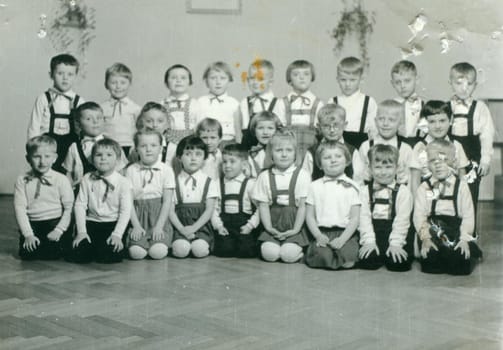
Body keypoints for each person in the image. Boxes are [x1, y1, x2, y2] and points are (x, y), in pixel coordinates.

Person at [414, 139, 482, 275]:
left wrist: (464, 239)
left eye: (444, 160)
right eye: (433, 161)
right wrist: (425, 239)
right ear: (427, 164)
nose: (438, 165)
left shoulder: (461, 187)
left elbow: (468, 216)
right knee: (430, 264)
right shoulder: (425, 187)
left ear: (454, 163)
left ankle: (462, 251)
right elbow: (420, 216)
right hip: (433, 229)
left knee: (461, 264)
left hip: (456, 230)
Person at [252, 130, 311, 263]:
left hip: (295, 225)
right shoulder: (264, 176)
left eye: (289, 150)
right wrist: (269, 228)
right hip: (273, 224)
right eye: (279, 150)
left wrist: (295, 230)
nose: (284, 154)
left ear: (295, 153)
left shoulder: (302, 175)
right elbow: (263, 206)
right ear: (271, 154)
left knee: (288, 255)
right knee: (270, 254)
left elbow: (303, 206)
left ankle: (299, 250)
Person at [71, 138, 132, 263]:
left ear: (118, 160)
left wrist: (117, 234)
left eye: (109, 155)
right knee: (80, 253)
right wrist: (81, 231)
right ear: (92, 159)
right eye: (99, 155)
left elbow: (125, 211)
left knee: (110, 255)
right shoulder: (87, 179)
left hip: (112, 223)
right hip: (92, 222)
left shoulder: (123, 182)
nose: (103, 158)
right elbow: (80, 205)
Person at [14, 135, 74, 260]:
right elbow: (20, 208)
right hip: (33, 224)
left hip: (55, 222)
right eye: (37, 156)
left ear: (54, 158)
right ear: (28, 158)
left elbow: (69, 208)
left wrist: (59, 230)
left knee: (52, 255)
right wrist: (28, 234)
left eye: (47, 156)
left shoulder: (61, 179)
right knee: (27, 255)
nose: (42, 162)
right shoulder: (22, 180)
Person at [305, 142, 360, 270]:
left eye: (338, 156)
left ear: (347, 161)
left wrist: (342, 239)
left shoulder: (353, 187)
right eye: (327, 157)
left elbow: (355, 218)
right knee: (322, 256)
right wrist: (318, 235)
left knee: (348, 257)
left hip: (346, 233)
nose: (333, 160)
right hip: (322, 232)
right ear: (319, 164)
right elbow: (310, 216)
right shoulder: (314, 186)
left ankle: (342, 255)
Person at [358, 144, 413, 271]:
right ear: (370, 169)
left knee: (398, 264)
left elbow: (402, 220)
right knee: (368, 261)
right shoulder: (364, 191)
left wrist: (396, 244)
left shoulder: (403, 192)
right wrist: (369, 241)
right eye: (378, 167)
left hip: (397, 235)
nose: (383, 172)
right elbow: (363, 218)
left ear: (397, 168)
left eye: (388, 167)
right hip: (373, 234)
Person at [448, 62, 495, 211]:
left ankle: (469, 232)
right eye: (459, 83)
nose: (464, 88)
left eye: (469, 84)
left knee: (470, 195)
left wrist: (485, 160)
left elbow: (487, 135)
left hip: (472, 155)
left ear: (475, 85)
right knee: (450, 196)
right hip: (451, 157)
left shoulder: (480, 108)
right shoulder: (446, 106)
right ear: (451, 83)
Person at [27, 53, 85, 171]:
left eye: (70, 74)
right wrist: (32, 148)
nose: (65, 78)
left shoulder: (79, 101)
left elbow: (84, 127)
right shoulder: (43, 98)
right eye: (60, 73)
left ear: (75, 76)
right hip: (47, 145)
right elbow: (35, 124)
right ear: (51, 75)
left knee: (69, 173)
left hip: (70, 145)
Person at [125, 130, 175, 260]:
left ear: (161, 149)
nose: (148, 150)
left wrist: (159, 227)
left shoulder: (167, 170)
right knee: (136, 253)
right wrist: (136, 226)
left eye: (153, 145)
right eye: (143, 146)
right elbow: (128, 201)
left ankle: (158, 242)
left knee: (157, 252)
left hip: (159, 217)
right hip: (138, 216)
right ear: (136, 149)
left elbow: (167, 202)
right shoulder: (131, 170)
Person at [169, 136, 219, 258]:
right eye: (188, 154)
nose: (193, 158)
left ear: (204, 158)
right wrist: (182, 230)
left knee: (199, 250)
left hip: (201, 227)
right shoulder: (173, 182)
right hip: (180, 226)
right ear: (179, 158)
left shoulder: (209, 182)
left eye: (198, 154)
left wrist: (193, 228)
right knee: (181, 250)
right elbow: (170, 211)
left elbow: (209, 211)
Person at [410, 100, 469, 195]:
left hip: (451, 196)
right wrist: (417, 205)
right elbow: (415, 180)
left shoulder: (456, 145)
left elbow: (462, 176)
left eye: (442, 120)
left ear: (450, 120)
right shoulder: (420, 147)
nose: (437, 126)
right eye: (432, 121)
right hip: (427, 196)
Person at [63, 102, 127, 189]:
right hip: (83, 193)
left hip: (110, 192)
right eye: (88, 119)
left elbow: (122, 171)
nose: (95, 122)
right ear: (78, 124)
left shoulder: (114, 145)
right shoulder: (74, 148)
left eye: (99, 118)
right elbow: (69, 175)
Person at [212, 144, 260, 258]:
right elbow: (213, 209)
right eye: (224, 162)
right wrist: (219, 227)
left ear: (243, 164)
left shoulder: (250, 184)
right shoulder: (218, 184)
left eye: (232, 161)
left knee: (246, 251)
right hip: (225, 226)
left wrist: (250, 226)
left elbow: (260, 208)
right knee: (224, 251)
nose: (227, 166)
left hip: (244, 225)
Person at [355, 100, 416, 186]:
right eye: (381, 119)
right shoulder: (365, 146)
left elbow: (411, 181)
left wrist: (403, 177)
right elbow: (357, 178)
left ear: (400, 123)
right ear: (375, 121)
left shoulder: (406, 149)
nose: (385, 124)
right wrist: (365, 176)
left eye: (391, 120)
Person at [329, 56, 377, 149]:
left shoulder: (369, 101)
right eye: (343, 80)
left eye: (352, 80)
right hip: (338, 145)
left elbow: (374, 130)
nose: (347, 84)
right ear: (337, 79)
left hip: (362, 146)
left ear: (361, 79)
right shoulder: (333, 101)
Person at [277, 60, 323, 154]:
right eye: (296, 74)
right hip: (288, 148)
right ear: (289, 80)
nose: (302, 78)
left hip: (312, 149)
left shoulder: (318, 103)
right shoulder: (282, 102)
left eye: (306, 74)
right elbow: (278, 127)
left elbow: (321, 130)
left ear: (312, 77)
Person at [307, 104, 360, 180]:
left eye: (336, 125)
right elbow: (306, 181)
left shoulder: (353, 152)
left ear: (345, 125)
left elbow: (359, 182)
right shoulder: (311, 153)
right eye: (326, 126)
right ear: (319, 127)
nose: (332, 130)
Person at [238, 59, 281, 149]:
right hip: (248, 149)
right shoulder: (244, 103)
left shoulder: (278, 103)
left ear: (270, 82)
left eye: (260, 79)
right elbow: (243, 130)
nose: (255, 82)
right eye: (252, 78)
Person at [101, 62, 141, 157]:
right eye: (113, 83)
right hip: (108, 148)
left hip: (130, 147)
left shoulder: (135, 108)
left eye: (123, 83)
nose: (118, 86)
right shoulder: (102, 108)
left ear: (129, 84)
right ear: (106, 85)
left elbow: (140, 130)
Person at [197, 61, 240, 146]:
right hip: (205, 143)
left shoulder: (234, 103)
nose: (218, 82)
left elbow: (238, 130)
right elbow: (196, 128)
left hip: (228, 143)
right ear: (206, 81)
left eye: (223, 78)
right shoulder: (200, 102)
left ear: (229, 81)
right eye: (213, 78)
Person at [130, 102, 178, 169]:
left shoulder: (172, 148)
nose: (155, 125)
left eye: (160, 121)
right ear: (141, 122)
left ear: (167, 124)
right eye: (149, 121)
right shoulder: (135, 149)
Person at [390, 60, 426, 146]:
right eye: (398, 82)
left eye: (407, 81)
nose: (402, 86)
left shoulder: (424, 105)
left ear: (416, 80)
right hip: (396, 145)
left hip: (418, 145)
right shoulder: (390, 106)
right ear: (392, 84)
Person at [161, 64, 199, 143]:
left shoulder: (195, 104)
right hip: (168, 142)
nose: (178, 80)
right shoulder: (161, 104)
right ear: (166, 83)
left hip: (190, 142)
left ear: (190, 82)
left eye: (183, 78)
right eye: (174, 77)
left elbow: (199, 126)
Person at [247, 111, 282, 178]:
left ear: (277, 130)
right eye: (260, 128)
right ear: (254, 130)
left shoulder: (281, 152)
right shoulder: (252, 154)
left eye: (270, 128)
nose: (265, 132)